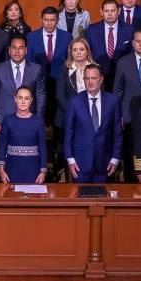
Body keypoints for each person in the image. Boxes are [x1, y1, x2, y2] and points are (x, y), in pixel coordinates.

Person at [64, 64, 123, 183]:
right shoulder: (74, 102)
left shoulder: (113, 101)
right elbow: (68, 133)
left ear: (101, 79)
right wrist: (70, 159)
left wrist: (115, 158)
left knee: (104, 199)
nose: (90, 82)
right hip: (80, 164)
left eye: (93, 78)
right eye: (87, 78)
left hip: (105, 164)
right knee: (80, 200)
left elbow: (117, 132)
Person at [0, 34, 46, 133]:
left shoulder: (36, 69)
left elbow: (41, 96)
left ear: (26, 50)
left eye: (21, 48)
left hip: (29, 120)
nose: (17, 51)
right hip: (3, 121)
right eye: (14, 48)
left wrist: (38, 120)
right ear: (9, 50)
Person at [54, 38, 94, 180]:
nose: (78, 52)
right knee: (68, 153)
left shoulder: (95, 69)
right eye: (75, 50)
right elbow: (60, 96)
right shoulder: (64, 69)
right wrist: (76, 113)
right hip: (67, 118)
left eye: (81, 49)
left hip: (91, 119)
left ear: (87, 51)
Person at [27, 7, 73, 127]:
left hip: (59, 81)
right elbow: (29, 61)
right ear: (41, 20)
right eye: (46, 20)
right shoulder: (31, 37)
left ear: (57, 20)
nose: (49, 23)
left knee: (58, 114)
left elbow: (69, 61)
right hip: (39, 81)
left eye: (52, 20)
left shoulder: (67, 37)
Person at [0, 86, 47, 184]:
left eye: (26, 98)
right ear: (15, 99)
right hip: (12, 171)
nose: (23, 102)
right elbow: (2, 147)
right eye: (20, 98)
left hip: (33, 171)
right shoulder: (8, 120)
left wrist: (43, 172)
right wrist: (1, 170)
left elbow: (42, 148)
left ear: (31, 101)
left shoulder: (38, 122)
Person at [85, 0, 133, 90]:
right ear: (101, 12)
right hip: (98, 77)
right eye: (106, 11)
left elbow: (132, 54)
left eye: (113, 11)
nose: (109, 14)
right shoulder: (91, 30)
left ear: (119, 11)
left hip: (123, 77)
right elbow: (88, 54)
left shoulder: (129, 29)